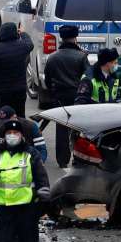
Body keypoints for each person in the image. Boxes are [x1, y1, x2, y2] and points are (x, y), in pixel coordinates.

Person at [42, 24, 90, 166]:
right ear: (75, 38)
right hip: (77, 96)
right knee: (78, 128)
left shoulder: (53, 57)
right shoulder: (81, 56)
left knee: (61, 128)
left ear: (61, 38)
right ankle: (79, 158)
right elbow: (87, 77)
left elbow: (47, 79)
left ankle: (62, 160)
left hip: (59, 96)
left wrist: (53, 94)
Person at [0, 22, 34, 116]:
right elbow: (30, 44)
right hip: (20, 90)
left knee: (4, 116)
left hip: (3, 91)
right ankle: (18, 129)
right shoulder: (22, 46)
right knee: (20, 115)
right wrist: (23, 33)